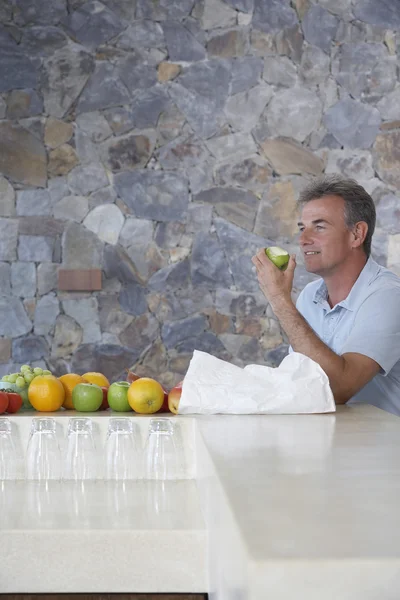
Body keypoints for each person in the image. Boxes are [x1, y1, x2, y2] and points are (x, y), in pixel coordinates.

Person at [252, 174, 400, 416]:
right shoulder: (309, 297)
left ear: (356, 235)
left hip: (383, 450)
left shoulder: (388, 298)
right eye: (302, 228)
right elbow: (303, 384)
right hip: (332, 443)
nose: (303, 240)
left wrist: (279, 299)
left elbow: (338, 390)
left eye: (319, 227)